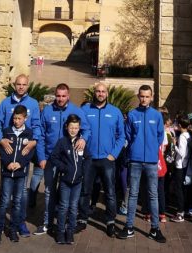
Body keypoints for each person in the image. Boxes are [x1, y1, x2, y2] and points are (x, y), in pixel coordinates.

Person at [33, 83, 91, 235]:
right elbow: (40, 135)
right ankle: (47, 223)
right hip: (50, 158)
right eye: (58, 96)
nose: (60, 99)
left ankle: (64, 223)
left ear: (68, 95)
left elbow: (86, 129)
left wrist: (83, 139)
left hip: (70, 161)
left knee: (68, 195)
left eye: (63, 96)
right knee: (49, 192)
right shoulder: (47, 111)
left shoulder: (76, 111)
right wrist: (41, 157)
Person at [0, 74, 41, 237]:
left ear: (28, 85)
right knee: (4, 191)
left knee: (22, 193)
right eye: (18, 84)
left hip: (24, 153)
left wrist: (34, 141)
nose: (21, 87)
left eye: (24, 84)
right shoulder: (6, 103)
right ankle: (0, 223)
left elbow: (37, 125)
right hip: (7, 152)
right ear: (14, 85)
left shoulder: (33, 104)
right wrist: (1, 140)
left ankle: (20, 222)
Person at [118, 85, 166, 243]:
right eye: (142, 96)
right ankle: (129, 227)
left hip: (152, 161)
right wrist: (135, 149)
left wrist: (152, 149)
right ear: (138, 96)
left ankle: (155, 228)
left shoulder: (157, 116)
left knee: (153, 195)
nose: (144, 99)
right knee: (132, 194)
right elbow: (129, 136)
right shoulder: (132, 114)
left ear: (152, 97)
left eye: (147, 96)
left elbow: (160, 136)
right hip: (135, 160)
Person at [77, 82, 125, 237]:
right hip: (89, 158)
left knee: (110, 192)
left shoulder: (115, 112)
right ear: (94, 93)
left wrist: (114, 154)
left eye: (103, 91)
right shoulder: (84, 110)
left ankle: (110, 221)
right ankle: (82, 219)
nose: (100, 93)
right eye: (98, 91)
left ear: (107, 94)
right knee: (85, 190)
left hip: (107, 159)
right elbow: (78, 131)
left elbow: (121, 135)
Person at [0, 105, 35, 243]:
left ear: (25, 118)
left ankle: (13, 230)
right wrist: (7, 163)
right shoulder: (7, 132)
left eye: (19, 118)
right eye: (15, 118)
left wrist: (20, 164)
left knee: (17, 202)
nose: (16, 121)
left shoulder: (29, 134)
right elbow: (1, 150)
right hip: (7, 173)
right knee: (4, 202)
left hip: (20, 174)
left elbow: (29, 153)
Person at [50, 114, 92, 244]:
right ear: (67, 127)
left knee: (74, 208)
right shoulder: (62, 142)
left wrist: (83, 172)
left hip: (77, 182)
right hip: (65, 181)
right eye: (71, 127)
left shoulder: (81, 142)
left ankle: (70, 232)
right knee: (63, 207)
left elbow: (88, 158)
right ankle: (61, 232)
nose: (73, 130)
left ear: (79, 128)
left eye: (76, 127)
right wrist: (64, 168)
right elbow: (54, 157)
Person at [171, 115, 191, 222]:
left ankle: (180, 213)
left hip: (180, 165)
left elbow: (182, 153)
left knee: (179, 189)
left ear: (179, 125)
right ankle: (183, 210)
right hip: (185, 164)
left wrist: (175, 145)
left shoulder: (183, 137)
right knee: (182, 189)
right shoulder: (188, 135)